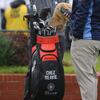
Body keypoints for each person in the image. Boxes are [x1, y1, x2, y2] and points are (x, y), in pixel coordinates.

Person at [70, 0, 100, 100]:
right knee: (91, 77)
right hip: (94, 35)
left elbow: (82, 8)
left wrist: (75, 33)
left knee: (87, 79)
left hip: (86, 36)